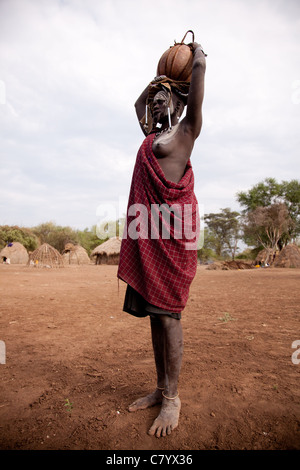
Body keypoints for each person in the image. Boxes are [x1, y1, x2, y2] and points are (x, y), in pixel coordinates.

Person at [117, 41, 206, 438]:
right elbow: (137, 107)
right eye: (153, 100)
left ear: (180, 102)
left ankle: (173, 399)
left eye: (162, 99)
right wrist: (155, 82)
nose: (153, 105)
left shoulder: (185, 132)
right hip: (149, 232)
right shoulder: (150, 134)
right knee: (156, 315)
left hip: (173, 240)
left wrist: (198, 61)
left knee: (169, 315)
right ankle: (160, 388)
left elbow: (197, 99)